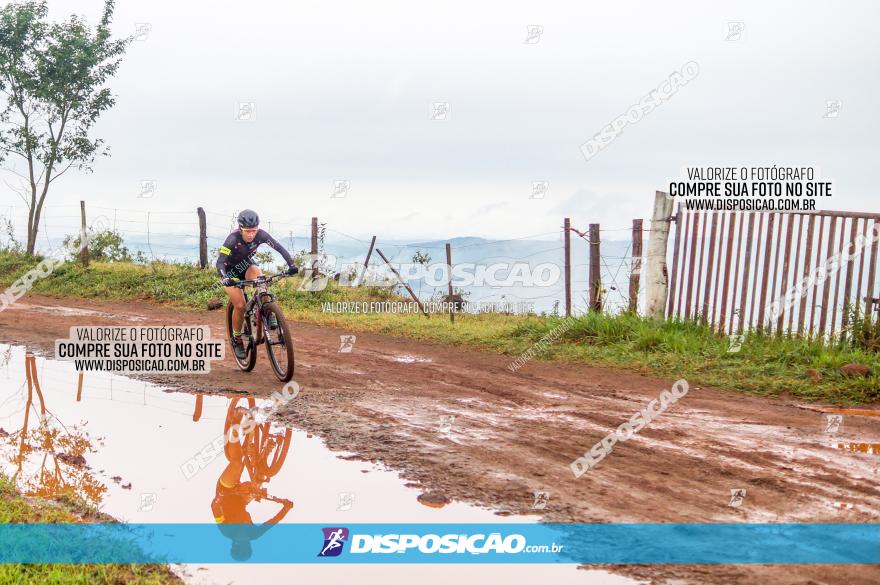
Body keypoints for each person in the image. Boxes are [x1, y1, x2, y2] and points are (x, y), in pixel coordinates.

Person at [217, 209, 298, 359]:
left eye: (253, 231)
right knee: (240, 305)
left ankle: (267, 311)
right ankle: (236, 338)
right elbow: (220, 262)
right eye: (247, 231)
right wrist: (224, 278)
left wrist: (292, 265)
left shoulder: (261, 235)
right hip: (230, 272)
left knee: (261, 281)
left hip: (247, 265)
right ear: (240, 229)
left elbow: (279, 248)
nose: (251, 234)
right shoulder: (232, 240)